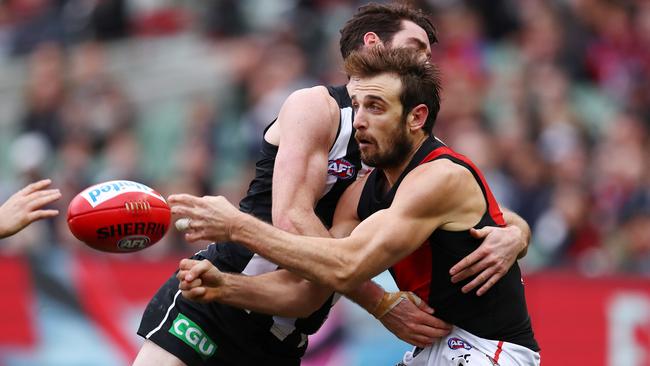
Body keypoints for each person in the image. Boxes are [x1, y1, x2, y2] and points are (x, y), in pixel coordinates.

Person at [135, 3, 530, 365]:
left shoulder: (414, 157)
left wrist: (516, 233)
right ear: (373, 44)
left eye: (429, 54)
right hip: (231, 294)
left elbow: (473, 207)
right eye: (415, 47)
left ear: (416, 116)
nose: (426, 60)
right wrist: (378, 301)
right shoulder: (318, 108)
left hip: (293, 323)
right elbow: (292, 220)